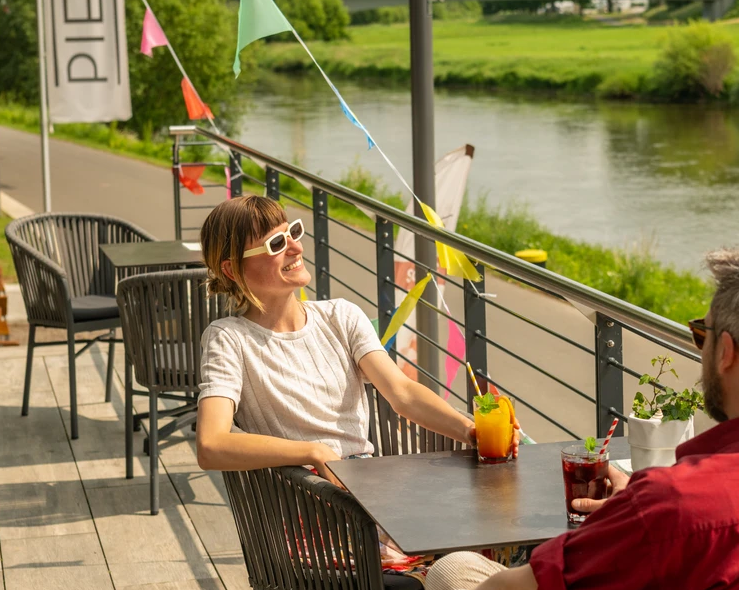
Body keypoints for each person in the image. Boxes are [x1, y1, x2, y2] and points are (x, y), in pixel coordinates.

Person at [427, 241, 739, 590]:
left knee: (453, 572)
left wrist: (642, 507)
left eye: (703, 334)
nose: (702, 349)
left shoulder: (673, 507)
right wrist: (639, 498)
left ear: (728, 352)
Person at [193, 193, 515, 488]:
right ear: (233, 270)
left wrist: (470, 431)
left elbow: (401, 392)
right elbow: (211, 444)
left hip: (369, 495)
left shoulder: (341, 316)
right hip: (309, 515)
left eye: (293, 232)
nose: (295, 247)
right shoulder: (228, 339)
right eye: (276, 243)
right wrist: (312, 453)